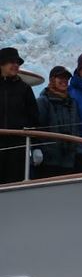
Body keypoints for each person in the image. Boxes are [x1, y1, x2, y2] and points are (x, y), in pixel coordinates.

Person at [0, 46, 40, 184]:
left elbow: (34, 118)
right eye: (11, 62)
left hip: (17, 148)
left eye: (17, 62)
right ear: (1, 64)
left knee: (14, 184)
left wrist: (36, 146)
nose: (15, 65)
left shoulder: (24, 88)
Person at [35, 65, 80, 178]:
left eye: (66, 78)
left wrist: (77, 150)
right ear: (52, 80)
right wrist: (37, 149)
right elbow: (36, 128)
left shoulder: (72, 103)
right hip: (49, 161)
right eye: (60, 78)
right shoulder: (43, 101)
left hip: (69, 161)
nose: (64, 81)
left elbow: (76, 128)